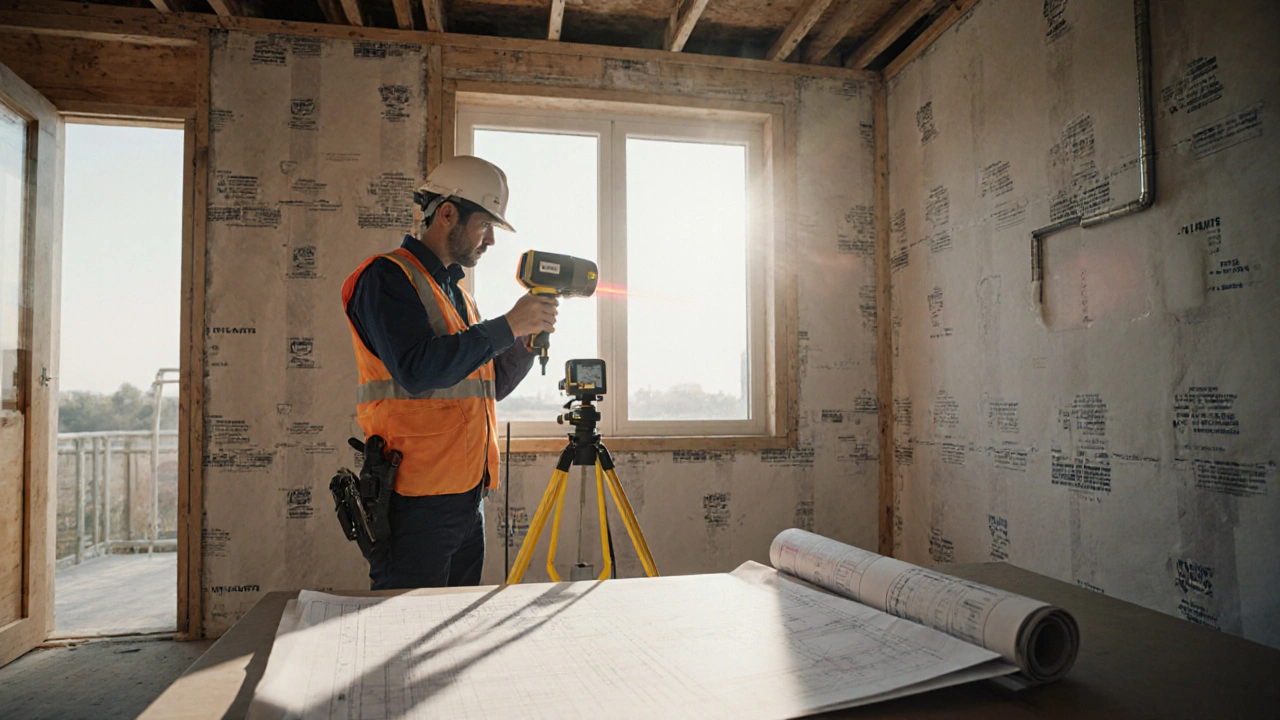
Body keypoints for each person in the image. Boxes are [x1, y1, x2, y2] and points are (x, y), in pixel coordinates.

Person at [341, 155, 558, 590]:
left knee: (450, 631)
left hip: (466, 497)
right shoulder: (386, 277)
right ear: (446, 214)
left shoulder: (456, 294)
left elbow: (484, 383)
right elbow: (417, 370)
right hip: (415, 499)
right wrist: (509, 325)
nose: (491, 241)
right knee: (402, 632)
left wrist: (525, 341)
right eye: (486, 225)